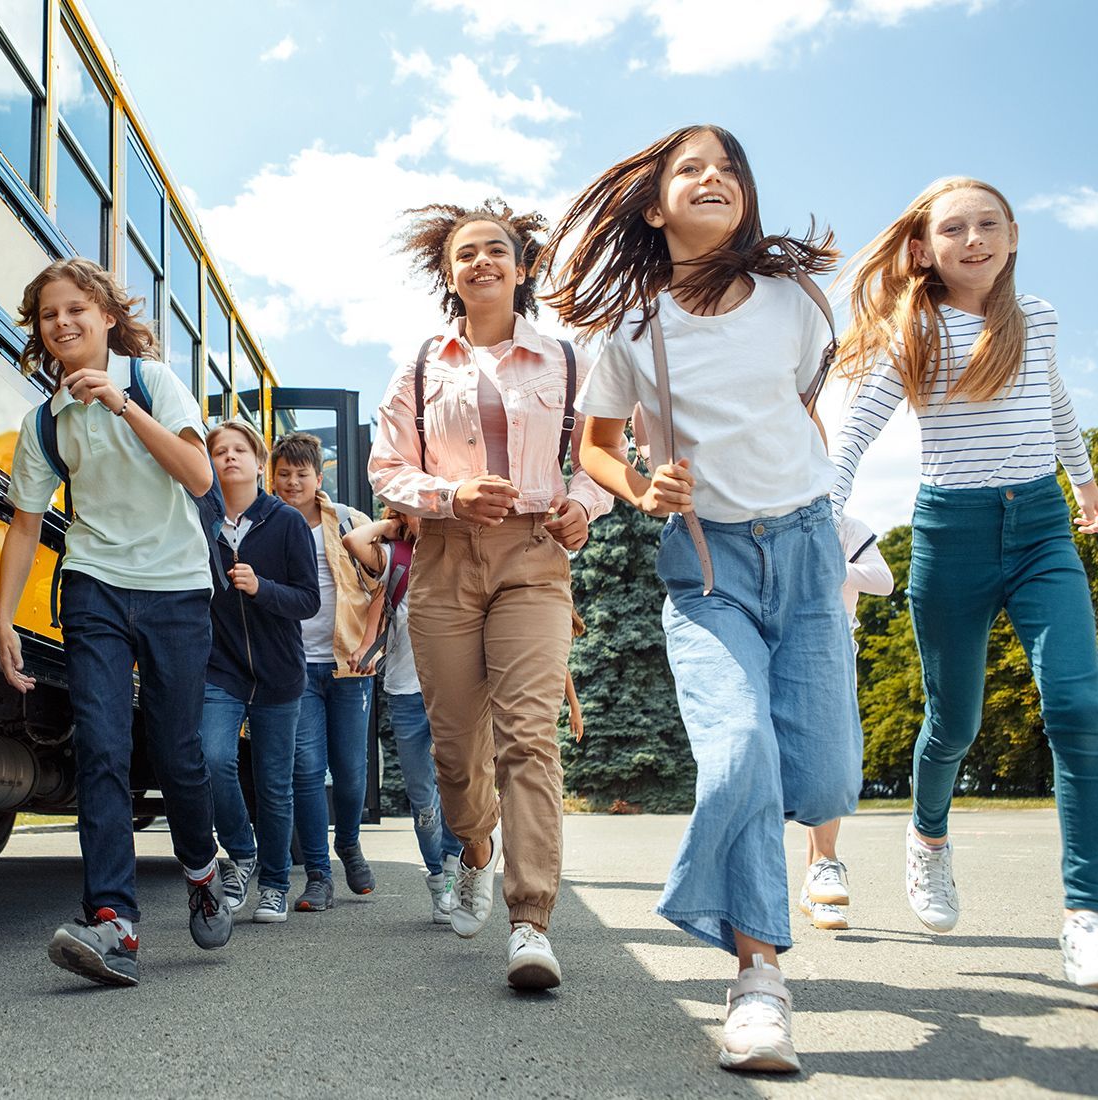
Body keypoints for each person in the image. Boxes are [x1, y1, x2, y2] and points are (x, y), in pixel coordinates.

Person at [549, 124, 861, 1072]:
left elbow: (802, 408)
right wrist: (642, 486)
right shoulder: (635, 328)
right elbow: (595, 445)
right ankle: (758, 976)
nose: (714, 179)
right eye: (692, 169)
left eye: (729, 168)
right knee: (739, 754)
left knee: (825, 781)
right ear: (656, 204)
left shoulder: (798, 303)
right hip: (707, 565)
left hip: (807, 554)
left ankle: (796, 876)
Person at [830, 177, 1098, 994]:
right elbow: (859, 427)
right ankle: (928, 837)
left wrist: (1085, 483)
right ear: (924, 248)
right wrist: (822, 513)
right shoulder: (916, 328)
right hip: (951, 535)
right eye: (955, 228)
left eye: (989, 225)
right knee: (953, 723)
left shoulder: (1034, 318)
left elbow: (1058, 402)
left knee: (1077, 706)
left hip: (1041, 528)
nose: (974, 239)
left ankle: (1086, 917)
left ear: (1011, 235)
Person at [367, 201, 610, 989]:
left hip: (534, 557)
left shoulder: (565, 360)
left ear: (522, 266)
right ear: (449, 273)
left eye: (495, 251)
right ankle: (474, 848)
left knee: (528, 735)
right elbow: (386, 468)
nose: (481, 263)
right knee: (454, 747)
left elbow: (599, 459)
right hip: (442, 559)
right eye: (465, 254)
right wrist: (447, 495)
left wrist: (584, 505)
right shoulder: (419, 367)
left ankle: (531, 920)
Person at [0, 258, 232, 987]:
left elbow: (199, 478)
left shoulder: (152, 382)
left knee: (177, 751)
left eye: (76, 309)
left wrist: (123, 406)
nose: (62, 323)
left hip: (177, 587)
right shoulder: (45, 422)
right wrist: (4, 619)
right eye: (47, 315)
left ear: (104, 317)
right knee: (100, 745)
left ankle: (200, 865)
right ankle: (113, 923)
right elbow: (27, 524)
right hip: (95, 583)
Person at [199, 418, 321, 924]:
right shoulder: (198, 520)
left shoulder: (286, 521)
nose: (229, 457)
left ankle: (273, 883)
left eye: (239, 450)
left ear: (257, 461)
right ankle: (240, 854)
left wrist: (261, 588)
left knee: (274, 785)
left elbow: (309, 601)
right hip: (220, 669)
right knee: (210, 757)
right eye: (219, 450)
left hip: (279, 674)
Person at [270, 431, 381, 912]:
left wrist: (370, 643)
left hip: (348, 666)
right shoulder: (263, 525)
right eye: (284, 474)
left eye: (302, 474)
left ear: (319, 477)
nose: (292, 482)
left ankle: (349, 844)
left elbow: (386, 582)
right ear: (271, 477)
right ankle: (318, 875)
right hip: (294, 667)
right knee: (307, 771)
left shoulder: (349, 523)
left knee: (352, 771)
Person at [342, 511, 464, 924]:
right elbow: (354, 542)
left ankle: (452, 872)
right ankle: (437, 875)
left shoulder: (462, 553)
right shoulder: (396, 557)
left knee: (458, 787)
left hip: (455, 692)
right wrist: (389, 528)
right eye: (414, 507)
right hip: (406, 691)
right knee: (422, 798)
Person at [797, 513, 894, 931]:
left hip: (835, 648)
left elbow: (883, 580)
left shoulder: (845, 527)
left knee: (828, 762)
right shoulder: (770, 511)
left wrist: (831, 564)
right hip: (780, 642)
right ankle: (807, 880)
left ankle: (820, 874)